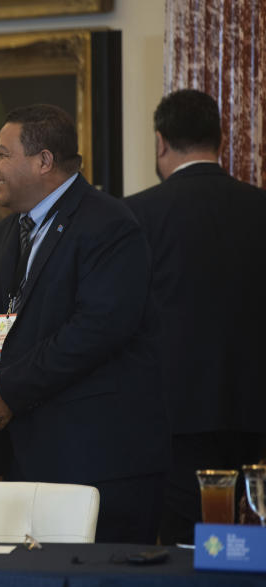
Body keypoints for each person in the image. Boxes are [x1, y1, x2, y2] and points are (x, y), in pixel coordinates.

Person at [0, 104, 168, 543]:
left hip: (91, 462)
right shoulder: (2, 235)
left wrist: (9, 388)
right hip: (17, 461)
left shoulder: (110, 225)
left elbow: (97, 329)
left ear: (44, 161)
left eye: (1, 154)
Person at [125, 89, 266, 543]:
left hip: (174, 417)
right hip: (256, 411)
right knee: (253, 547)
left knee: (186, 549)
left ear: (161, 142)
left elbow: (120, 317)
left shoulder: (136, 215)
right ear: (220, 140)